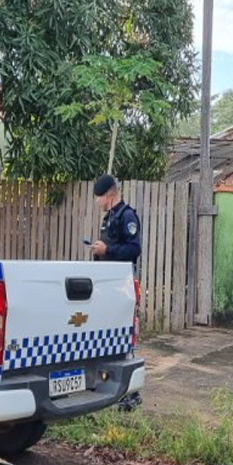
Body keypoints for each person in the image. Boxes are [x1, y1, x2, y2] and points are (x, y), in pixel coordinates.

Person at [89, 174, 142, 411]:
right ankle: (107, 385)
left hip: (122, 286)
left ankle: (131, 392)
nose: (97, 202)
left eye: (99, 197)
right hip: (107, 287)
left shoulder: (127, 216)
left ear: (110, 195)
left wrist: (107, 250)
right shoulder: (108, 217)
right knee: (107, 336)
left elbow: (133, 249)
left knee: (126, 335)